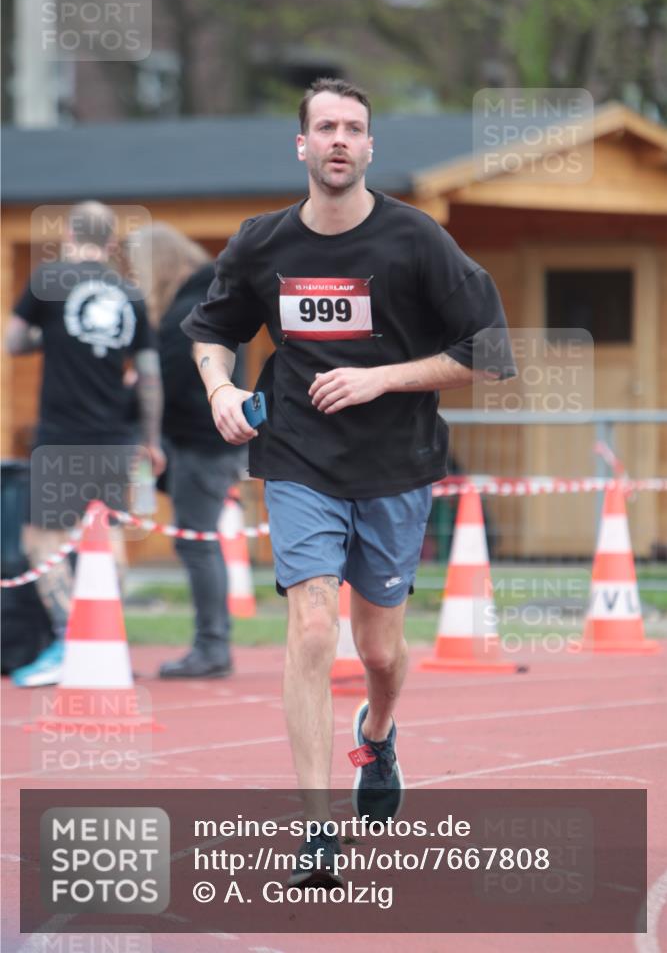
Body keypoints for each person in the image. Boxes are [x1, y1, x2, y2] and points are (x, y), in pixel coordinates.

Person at [181, 78, 515, 882]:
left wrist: (383, 378)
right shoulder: (262, 243)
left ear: (369, 148)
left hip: (395, 465)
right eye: (324, 126)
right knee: (310, 626)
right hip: (297, 459)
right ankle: (315, 828)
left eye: (353, 128)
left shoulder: (417, 241)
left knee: (380, 647)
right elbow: (210, 332)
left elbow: (490, 353)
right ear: (301, 145)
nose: (338, 139)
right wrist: (221, 389)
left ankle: (379, 730)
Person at [6, 201, 165, 687]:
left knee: (42, 542)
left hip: (61, 437)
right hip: (116, 439)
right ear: (112, 243)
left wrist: (47, 337)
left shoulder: (49, 280)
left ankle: (66, 641)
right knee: (107, 539)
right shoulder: (130, 294)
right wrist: (152, 441)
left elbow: (13, 342)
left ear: (72, 234)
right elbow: (150, 378)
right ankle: (104, 640)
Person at [127, 223, 247, 678]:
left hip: (204, 442)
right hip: (210, 439)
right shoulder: (207, 302)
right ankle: (212, 642)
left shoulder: (188, 314)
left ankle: (212, 646)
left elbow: (169, 381)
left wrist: (124, 400)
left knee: (196, 542)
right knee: (198, 540)